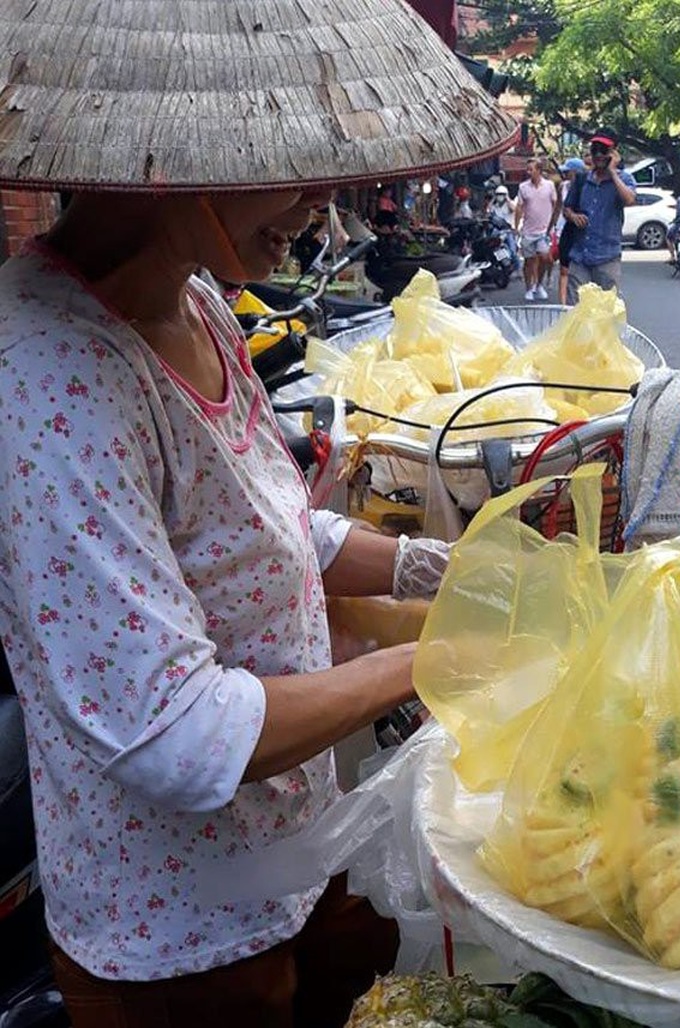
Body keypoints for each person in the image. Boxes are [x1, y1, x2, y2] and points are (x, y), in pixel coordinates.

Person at [0, 1, 517, 1026]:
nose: (322, 203)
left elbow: (270, 526)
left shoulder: (196, 300)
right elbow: (177, 732)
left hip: (293, 855)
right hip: (179, 936)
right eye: (287, 164)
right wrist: (432, 657)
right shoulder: (50, 373)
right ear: (178, 157)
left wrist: (441, 570)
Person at [562, 129, 636, 301]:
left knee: (606, 311)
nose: (598, 155)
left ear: (614, 153)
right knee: (575, 311)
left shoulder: (624, 179)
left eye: (603, 150)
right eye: (594, 150)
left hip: (607, 258)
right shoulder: (582, 179)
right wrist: (573, 216)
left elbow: (630, 200)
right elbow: (567, 209)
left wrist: (612, 172)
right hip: (580, 257)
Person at [514, 157, 558, 301]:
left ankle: (539, 284)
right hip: (528, 230)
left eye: (531, 169)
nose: (528, 172)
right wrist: (516, 226)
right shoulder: (523, 187)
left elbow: (555, 205)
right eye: (527, 169)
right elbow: (519, 207)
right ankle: (529, 288)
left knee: (545, 257)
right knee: (529, 261)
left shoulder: (549, 185)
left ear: (539, 170)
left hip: (544, 230)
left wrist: (553, 224)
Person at [554, 156, 587, 304]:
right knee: (564, 269)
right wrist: (552, 227)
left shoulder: (587, 187)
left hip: (580, 233)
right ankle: (563, 304)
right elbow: (559, 209)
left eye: (568, 172)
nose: (565, 174)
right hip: (564, 229)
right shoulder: (563, 187)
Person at [488, 184, 519, 272]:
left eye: (502, 194)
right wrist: (493, 199)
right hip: (497, 231)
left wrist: (507, 198)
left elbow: (514, 209)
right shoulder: (495, 206)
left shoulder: (509, 204)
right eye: (498, 194)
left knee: (513, 251)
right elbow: (488, 211)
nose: (500, 196)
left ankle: (516, 269)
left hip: (508, 231)